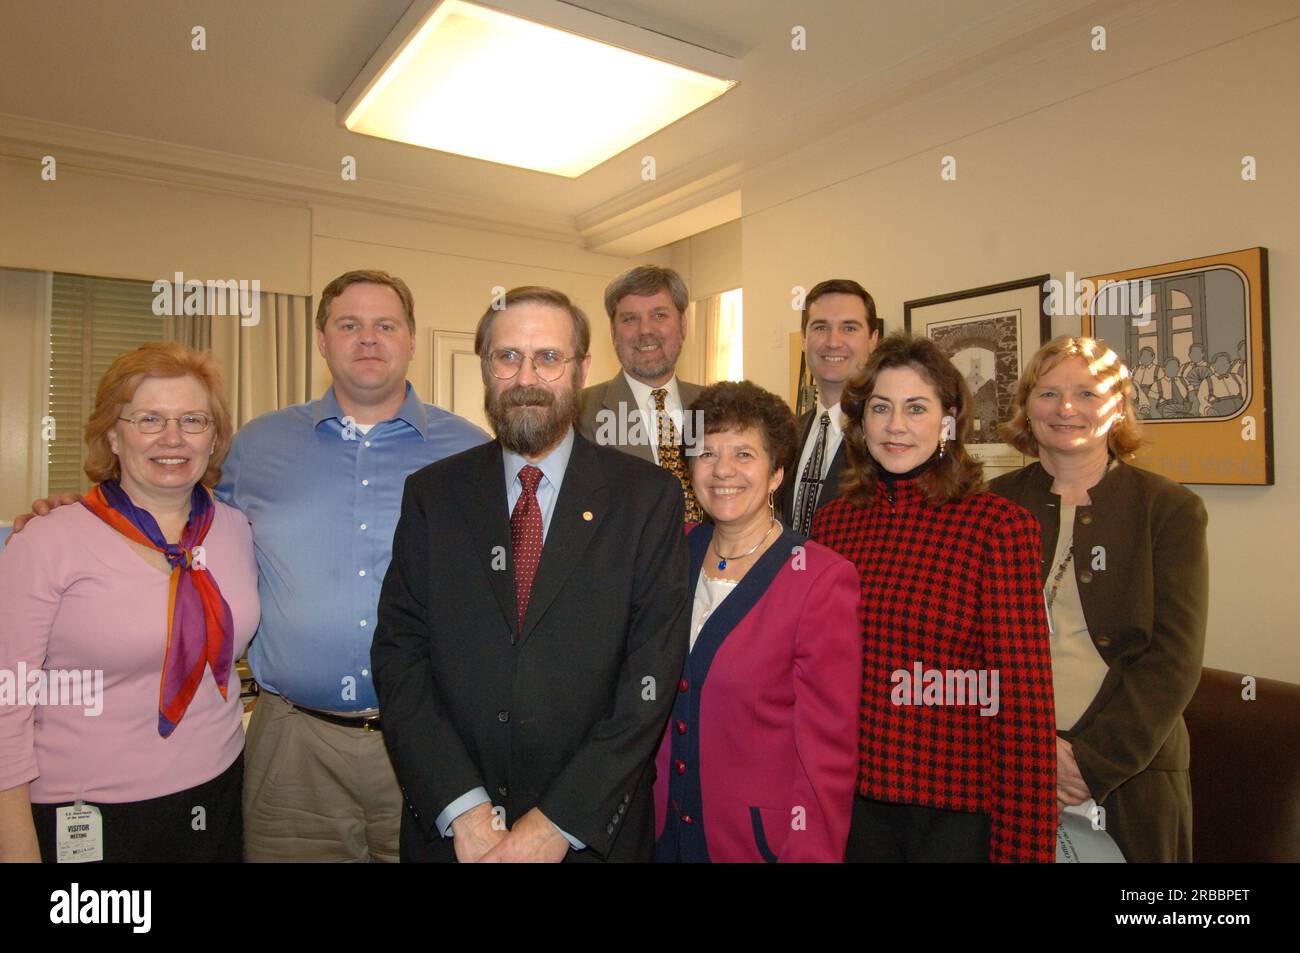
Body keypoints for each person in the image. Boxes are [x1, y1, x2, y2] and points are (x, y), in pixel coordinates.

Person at [13, 270, 488, 862]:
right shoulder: (257, 446)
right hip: (293, 743)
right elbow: (170, 506)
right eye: (349, 325)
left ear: (411, 338)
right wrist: (74, 511)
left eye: (385, 325)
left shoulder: (472, 452)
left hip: (431, 735)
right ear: (322, 341)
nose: (368, 339)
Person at [373, 286, 689, 862]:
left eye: (548, 358)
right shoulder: (433, 495)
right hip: (455, 837)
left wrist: (556, 824)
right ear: (486, 368)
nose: (526, 377)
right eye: (507, 357)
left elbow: (651, 676)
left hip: (590, 835)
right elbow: (400, 656)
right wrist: (463, 809)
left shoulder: (647, 499)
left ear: (581, 368)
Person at [0, 343, 259, 862]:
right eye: (148, 419)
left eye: (192, 419)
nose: (173, 438)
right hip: (88, 813)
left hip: (217, 794)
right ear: (113, 435)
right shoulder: (48, 541)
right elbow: (6, 704)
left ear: (214, 438)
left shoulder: (237, 529)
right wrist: (15, 844)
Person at [811, 333, 1056, 862]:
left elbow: (1022, 705)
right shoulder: (834, 525)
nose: (895, 426)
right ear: (860, 421)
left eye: (915, 408)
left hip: (952, 813)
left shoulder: (998, 527)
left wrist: (1025, 851)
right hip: (846, 800)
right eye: (881, 408)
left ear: (948, 421)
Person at [990, 336, 1208, 863]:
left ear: (1117, 408)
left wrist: (1093, 763)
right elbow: (971, 647)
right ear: (1026, 406)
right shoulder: (991, 505)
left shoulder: (1169, 509)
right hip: (1010, 764)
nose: (1066, 409)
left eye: (1087, 393)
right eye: (1048, 394)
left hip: (1132, 772)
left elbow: (1173, 660)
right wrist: (1028, 751)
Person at [653, 382, 861, 862]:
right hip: (657, 833)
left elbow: (826, 757)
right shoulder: (667, 556)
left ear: (776, 473)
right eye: (707, 454)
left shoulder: (821, 580)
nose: (723, 470)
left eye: (744, 454)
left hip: (756, 843)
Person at [577, 265, 704, 521]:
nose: (645, 330)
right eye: (630, 318)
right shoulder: (577, 412)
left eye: (659, 315)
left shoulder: (715, 405)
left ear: (683, 326)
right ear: (613, 332)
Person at [780, 279, 882, 532]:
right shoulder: (788, 435)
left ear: (873, 339)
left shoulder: (890, 437)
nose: (833, 341)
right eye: (820, 327)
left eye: (849, 328)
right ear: (804, 340)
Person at [1198, 352, 1245, 417]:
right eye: (1219, 363)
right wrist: (1208, 409)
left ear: (1229, 364)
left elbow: (1246, 395)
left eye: (1225, 363)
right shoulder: (1207, 382)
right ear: (1213, 365)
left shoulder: (1237, 377)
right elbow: (1202, 401)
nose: (1222, 366)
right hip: (1219, 415)